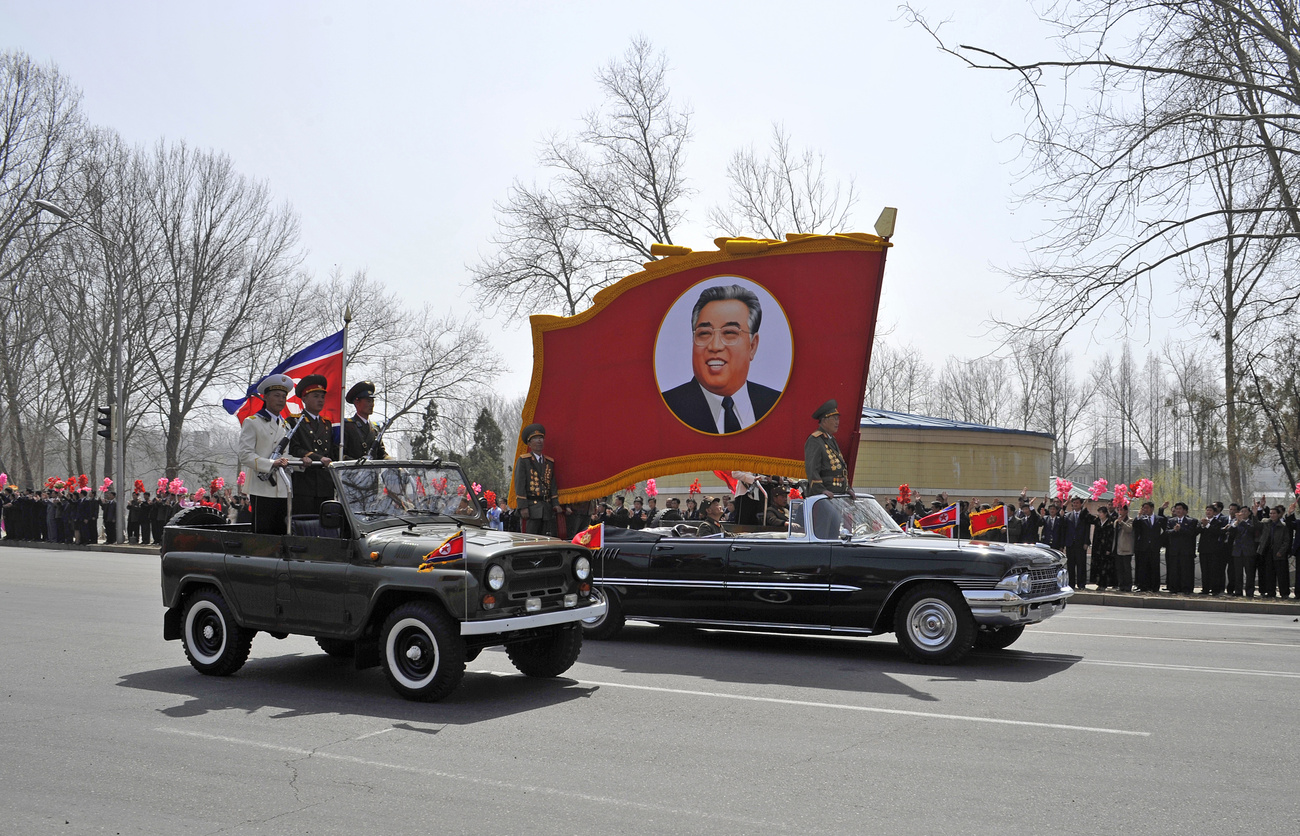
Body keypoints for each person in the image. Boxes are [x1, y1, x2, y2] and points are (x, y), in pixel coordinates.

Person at [660, 284, 781, 433]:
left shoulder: (776, 404)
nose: (715, 346)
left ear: (752, 345)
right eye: (704, 333)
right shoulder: (666, 407)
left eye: (729, 332)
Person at [237, 373, 295, 535]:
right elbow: (245, 455)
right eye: (276, 396)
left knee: (282, 534)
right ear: (265, 397)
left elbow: (286, 457)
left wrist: (301, 462)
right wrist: (270, 464)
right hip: (261, 487)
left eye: (284, 396)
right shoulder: (252, 422)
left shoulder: (286, 426)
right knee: (262, 536)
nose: (281, 400)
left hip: (283, 488)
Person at [288, 374, 335, 516]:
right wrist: (317, 458)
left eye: (322, 396)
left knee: (326, 524)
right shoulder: (294, 421)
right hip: (305, 483)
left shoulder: (327, 423)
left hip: (325, 483)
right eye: (315, 396)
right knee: (305, 524)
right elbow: (294, 448)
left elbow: (331, 450)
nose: (320, 400)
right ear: (304, 398)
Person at [512, 423, 560, 536]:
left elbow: (552, 485)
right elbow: (519, 485)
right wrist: (523, 507)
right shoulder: (524, 461)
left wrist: (555, 504)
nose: (539, 441)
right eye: (535, 439)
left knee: (545, 539)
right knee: (531, 539)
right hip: (531, 508)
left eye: (541, 438)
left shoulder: (549, 462)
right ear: (529, 443)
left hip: (546, 508)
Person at [804, 400, 851, 497]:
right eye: (834, 419)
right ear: (825, 420)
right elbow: (812, 469)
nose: (837, 422)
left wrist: (848, 488)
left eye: (838, 419)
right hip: (824, 496)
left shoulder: (831, 439)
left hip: (838, 494)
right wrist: (821, 490)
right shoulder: (815, 440)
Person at [342, 380, 388, 460]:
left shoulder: (375, 428)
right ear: (357, 402)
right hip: (353, 471)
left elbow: (381, 453)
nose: (371, 404)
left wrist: (390, 460)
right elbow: (341, 454)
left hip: (372, 472)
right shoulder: (347, 426)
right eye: (368, 401)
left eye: (372, 401)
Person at [1160, 501, 1198, 594]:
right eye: (1176, 509)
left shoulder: (1192, 521)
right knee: (1174, 570)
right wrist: (1174, 530)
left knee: (1186, 570)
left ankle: (1186, 588)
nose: (1178, 511)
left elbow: (1192, 533)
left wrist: (1181, 529)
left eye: (1180, 509)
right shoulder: (1171, 521)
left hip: (1186, 551)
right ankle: (1174, 588)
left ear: (1184, 510)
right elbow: (1167, 532)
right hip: (1174, 550)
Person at [1256, 504, 1292, 599]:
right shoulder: (1266, 523)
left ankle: (1284, 593)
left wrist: (1281, 551)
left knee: (1282, 574)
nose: (1272, 515)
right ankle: (1271, 592)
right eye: (1271, 513)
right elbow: (1256, 524)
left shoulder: (1283, 526)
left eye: (1274, 513)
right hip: (1267, 552)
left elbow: (1286, 541)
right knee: (1269, 574)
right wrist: (1257, 512)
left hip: (1278, 553)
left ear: (1278, 514)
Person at [1133, 501, 1166, 593]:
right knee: (1143, 567)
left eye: (1147, 508)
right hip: (1143, 547)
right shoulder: (1141, 519)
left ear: (1152, 508)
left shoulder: (1159, 519)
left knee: (1154, 567)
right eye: (1143, 508)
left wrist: (1160, 541)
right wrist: (1138, 516)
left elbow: (1166, 530)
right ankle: (1143, 586)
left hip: (1154, 547)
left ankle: (1154, 587)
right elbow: (1134, 526)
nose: (1145, 510)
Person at [1061, 497, 1093, 589]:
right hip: (1070, 544)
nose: (1075, 504)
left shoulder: (1085, 515)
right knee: (1070, 565)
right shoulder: (1068, 516)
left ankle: (1081, 584)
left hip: (1081, 544)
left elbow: (1087, 529)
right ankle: (1071, 584)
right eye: (1074, 503)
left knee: (1081, 564)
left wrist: (1086, 542)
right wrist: (1063, 545)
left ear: (1080, 504)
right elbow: (1064, 530)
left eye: (1077, 503)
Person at [1226, 507, 1258, 597]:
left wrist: (1242, 522)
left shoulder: (1251, 522)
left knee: (1250, 573)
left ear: (1249, 513)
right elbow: (1230, 532)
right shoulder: (1236, 522)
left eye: (1244, 511)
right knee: (1237, 573)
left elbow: (1252, 530)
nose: (1242, 513)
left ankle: (1249, 591)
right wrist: (1235, 524)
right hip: (1237, 551)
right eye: (1241, 511)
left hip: (1249, 551)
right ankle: (1238, 591)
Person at [1198, 504, 1228, 595]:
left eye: (1210, 511)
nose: (1208, 512)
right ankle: (1205, 589)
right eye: (1207, 510)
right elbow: (1197, 531)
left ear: (1214, 512)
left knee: (1213, 570)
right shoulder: (1202, 521)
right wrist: (1202, 526)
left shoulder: (1217, 522)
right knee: (1204, 570)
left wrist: (1207, 525)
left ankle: (1215, 589)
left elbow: (1216, 532)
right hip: (1203, 550)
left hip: (1213, 550)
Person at [1090, 506, 1115, 590]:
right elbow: (1086, 516)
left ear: (1105, 513)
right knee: (1097, 566)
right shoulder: (1097, 521)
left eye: (1101, 512)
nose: (1099, 514)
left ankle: (1104, 584)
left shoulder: (1110, 523)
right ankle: (1098, 583)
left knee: (1105, 567)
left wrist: (1109, 549)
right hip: (1097, 547)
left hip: (1105, 548)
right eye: (1099, 512)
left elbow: (1111, 537)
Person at [1112, 505, 1135, 592]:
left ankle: (1128, 586)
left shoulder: (1131, 520)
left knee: (1126, 568)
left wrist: (1122, 523)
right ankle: (1121, 585)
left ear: (1126, 511)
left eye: (1121, 510)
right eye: (1119, 510)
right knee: (1119, 568)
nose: (1120, 512)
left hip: (1126, 548)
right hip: (1117, 548)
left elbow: (1129, 529)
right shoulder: (1116, 521)